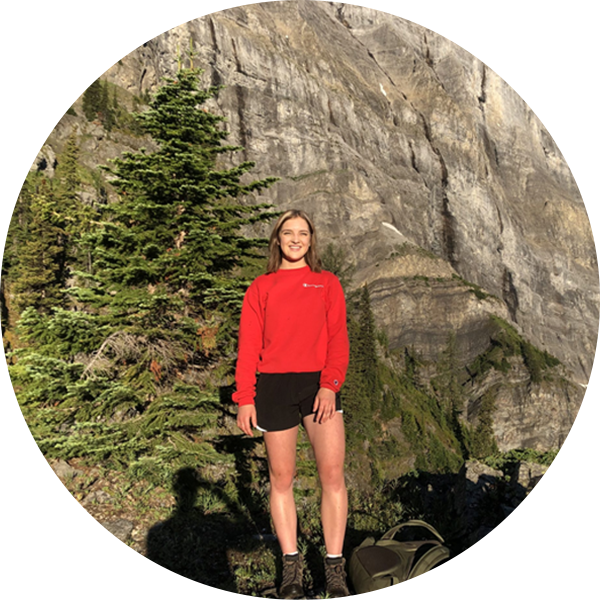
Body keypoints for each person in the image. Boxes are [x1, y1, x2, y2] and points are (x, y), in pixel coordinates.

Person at [233, 209, 350, 598]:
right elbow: (249, 346)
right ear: (277, 239)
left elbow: (338, 338)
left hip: (318, 385)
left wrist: (330, 386)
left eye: (303, 233)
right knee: (282, 479)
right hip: (273, 387)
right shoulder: (261, 287)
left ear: (311, 240)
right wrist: (245, 398)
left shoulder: (326, 282)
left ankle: (334, 568)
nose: (296, 239)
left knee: (332, 474)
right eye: (288, 233)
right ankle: (291, 568)